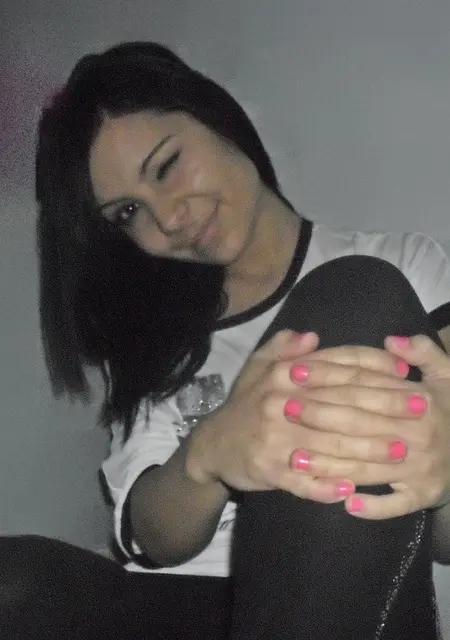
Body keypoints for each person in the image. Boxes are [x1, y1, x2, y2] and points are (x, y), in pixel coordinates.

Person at [3, 40, 450, 639]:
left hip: (342, 589)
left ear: (218, 118)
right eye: (128, 212)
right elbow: (152, 538)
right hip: (190, 608)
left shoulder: (405, 265)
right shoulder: (154, 339)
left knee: (357, 293)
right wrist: (208, 455)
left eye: (167, 166)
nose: (168, 218)